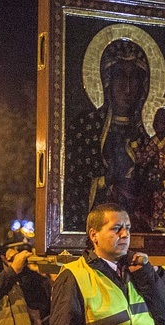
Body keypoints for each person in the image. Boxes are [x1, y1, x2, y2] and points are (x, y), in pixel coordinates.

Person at [63, 39, 150, 231]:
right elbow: (74, 185)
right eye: (120, 77)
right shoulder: (86, 127)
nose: (128, 88)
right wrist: (105, 181)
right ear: (107, 80)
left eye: (134, 78)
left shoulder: (147, 133)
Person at [132, 106, 165, 232]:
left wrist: (162, 184)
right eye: (156, 120)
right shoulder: (150, 143)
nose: (157, 124)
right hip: (148, 188)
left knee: (161, 220)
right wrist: (135, 149)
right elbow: (142, 161)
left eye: (162, 122)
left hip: (164, 192)